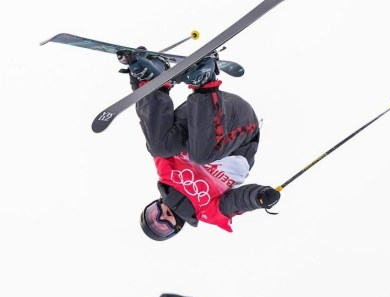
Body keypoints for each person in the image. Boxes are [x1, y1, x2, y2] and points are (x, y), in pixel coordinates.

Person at [120, 49, 281, 241]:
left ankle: (153, 79)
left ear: (153, 204)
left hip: (202, 112)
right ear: (177, 228)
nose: (162, 218)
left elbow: (152, 127)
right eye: (163, 227)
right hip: (239, 125)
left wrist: (137, 82)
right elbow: (238, 202)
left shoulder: (166, 174)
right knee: (200, 155)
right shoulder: (208, 212)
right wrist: (259, 197)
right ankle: (204, 82)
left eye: (153, 216)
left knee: (158, 147)